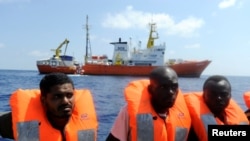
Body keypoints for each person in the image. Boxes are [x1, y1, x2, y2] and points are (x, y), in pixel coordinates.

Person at [0, 73, 98, 141]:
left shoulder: (84, 121)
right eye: (57, 96)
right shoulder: (28, 123)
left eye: (69, 95)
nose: (65, 101)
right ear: (44, 100)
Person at [106, 66, 191, 141]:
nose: (170, 92)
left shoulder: (184, 114)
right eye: (163, 87)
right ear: (150, 90)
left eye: (174, 87)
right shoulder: (128, 112)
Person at [184, 75, 249, 141]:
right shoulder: (190, 121)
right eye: (213, 94)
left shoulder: (235, 116)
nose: (218, 98)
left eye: (224, 94)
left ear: (230, 96)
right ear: (204, 95)